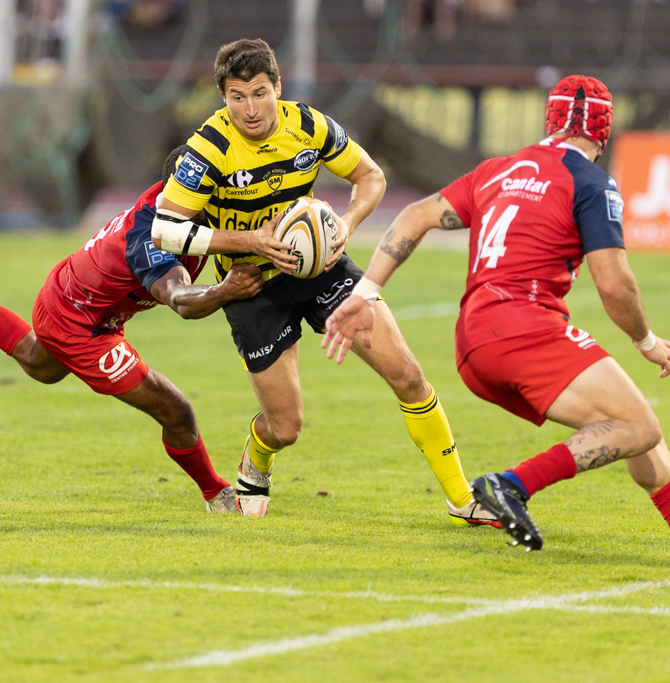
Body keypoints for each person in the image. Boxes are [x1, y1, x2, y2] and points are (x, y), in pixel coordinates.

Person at [322, 75, 670, 576]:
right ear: (602, 133)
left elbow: (413, 216)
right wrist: (644, 340)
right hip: (525, 328)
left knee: (631, 424)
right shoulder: (591, 181)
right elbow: (614, 284)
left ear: (549, 120)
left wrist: (366, 293)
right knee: (638, 425)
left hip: (473, 345)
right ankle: (511, 485)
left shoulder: (498, 170)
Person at [150, 38, 497, 524]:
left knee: (409, 375)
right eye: (236, 96)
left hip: (321, 269)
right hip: (252, 287)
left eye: (259, 92)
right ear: (222, 99)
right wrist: (248, 241)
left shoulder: (308, 124)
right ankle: (258, 456)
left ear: (278, 87)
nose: (250, 108)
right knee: (286, 426)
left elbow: (371, 176)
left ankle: (463, 498)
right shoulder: (207, 148)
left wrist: (346, 227)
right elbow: (164, 229)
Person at [0, 148, 264, 513]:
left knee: (40, 364)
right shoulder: (151, 238)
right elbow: (179, 299)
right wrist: (225, 289)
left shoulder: (181, 208)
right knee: (176, 411)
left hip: (71, 291)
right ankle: (217, 494)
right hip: (80, 323)